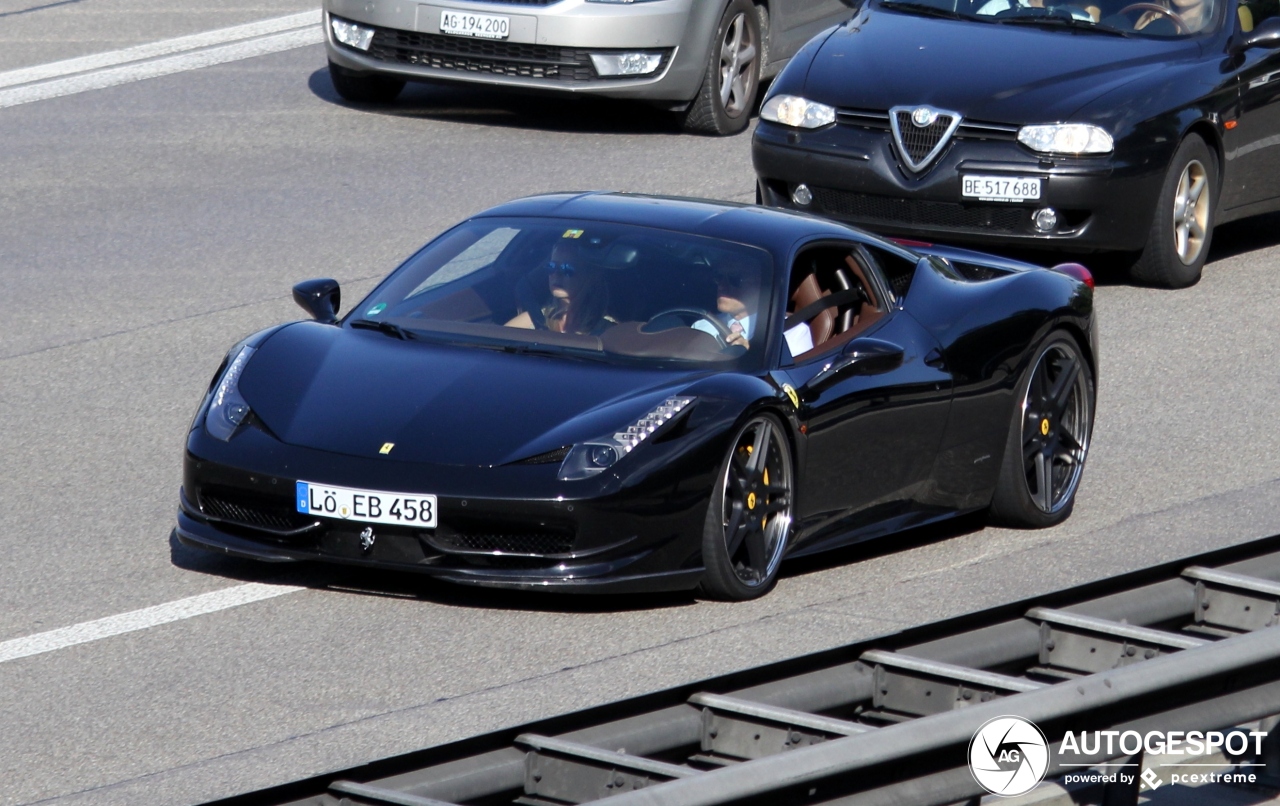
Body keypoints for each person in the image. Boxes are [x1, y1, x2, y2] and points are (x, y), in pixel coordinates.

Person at [692, 256, 813, 355]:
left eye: (734, 279)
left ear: (762, 286)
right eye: (718, 277)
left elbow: (791, 382)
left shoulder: (792, 333)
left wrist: (751, 358)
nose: (722, 285)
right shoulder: (702, 325)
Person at [506, 239, 613, 336]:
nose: (556, 274)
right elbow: (496, 344)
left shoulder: (608, 330)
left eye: (566, 268)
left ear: (589, 277)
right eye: (551, 266)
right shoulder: (537, 318)